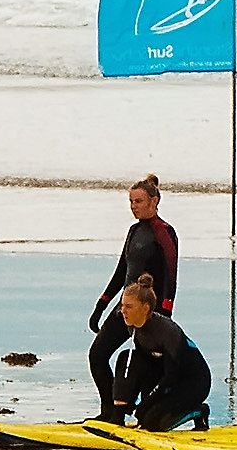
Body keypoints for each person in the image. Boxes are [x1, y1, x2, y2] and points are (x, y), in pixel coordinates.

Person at [88, 176, 181, 421]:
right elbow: (122, 271)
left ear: (154, 200)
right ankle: (109, 412)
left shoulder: (164, 232)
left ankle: (149, 414)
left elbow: (171, 276)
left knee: (147, 367)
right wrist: (102, 303)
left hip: (149, 312)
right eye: (131, 201)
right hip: (125, 307)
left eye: (139, 201)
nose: (134, 206)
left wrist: (165, 313)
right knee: (97, 355)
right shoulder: (134, 231)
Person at [103, 277, 211, 430]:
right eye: (122, 305)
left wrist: (147, 403)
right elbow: (146, 365)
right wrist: (130, 403)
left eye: (129, 306)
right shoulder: (132, 325)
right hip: (165, 375)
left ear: (145, 308)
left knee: (153, 424)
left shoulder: (167, 331)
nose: (123, 311)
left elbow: (171, 375)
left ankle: (198, 411)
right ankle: (117, 416)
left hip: (192, 382)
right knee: (126, 357)